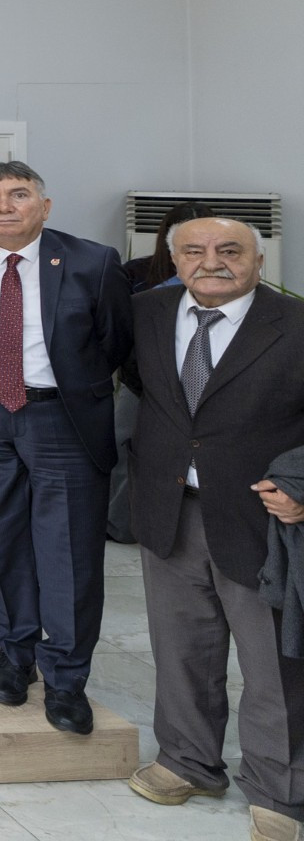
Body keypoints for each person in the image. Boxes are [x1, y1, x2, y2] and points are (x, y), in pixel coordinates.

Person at [125, 217, 304, 840]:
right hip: (169, 505)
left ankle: (281, 791)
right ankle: (187, 762)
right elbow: (147, 392)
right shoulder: (146, 314)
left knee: (272, 661)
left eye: (230, 250)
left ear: (258, 259)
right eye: (194, 251)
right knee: (182, 648)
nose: (212, 262)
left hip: (264, 517)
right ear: (173, 261)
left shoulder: (295, 324)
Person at [0, 161, 133, 734]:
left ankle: (67, 677)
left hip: (62, 419)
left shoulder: (92, 261)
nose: (4, 206)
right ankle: (14, 654)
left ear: (44, 207)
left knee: (68, 548)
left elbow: (117, 343)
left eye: (18, 194)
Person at [111, 201, 216, 542]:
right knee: (122, 450)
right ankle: (118, 524)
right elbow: (119, 330)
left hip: (198, 387)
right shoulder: (137, 273)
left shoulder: (222, 276)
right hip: (139, 383)